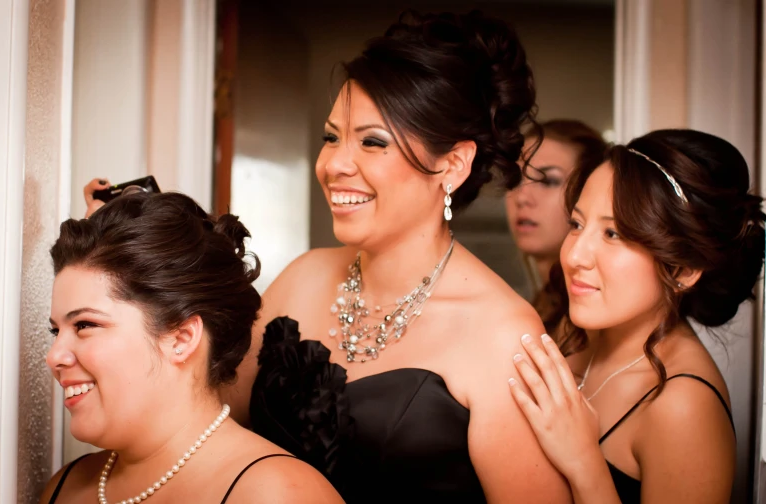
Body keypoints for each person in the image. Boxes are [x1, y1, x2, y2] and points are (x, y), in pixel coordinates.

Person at [239, 10, 571, 503]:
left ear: (452, 165)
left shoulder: (506, 337)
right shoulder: (301, 278)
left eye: (373, 142)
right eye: (331, 137)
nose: (334, 165)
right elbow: (207, 427)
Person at [508, 129, 763, 503]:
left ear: (682, 268)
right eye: (577, 225)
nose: (575, 256)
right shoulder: (570, 333)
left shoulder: (683, 406)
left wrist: (584, 461)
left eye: (613, 233)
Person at [40, 192, 342, 503]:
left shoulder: (279, 493)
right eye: (55, 330)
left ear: (181, 339)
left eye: (85, 325)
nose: (54, 357)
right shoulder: (65, 488)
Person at [505, 119, 606, 335]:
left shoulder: (592, 317)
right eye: (515, 179)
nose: (522, 197)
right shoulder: (538, 306)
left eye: (548, 181)